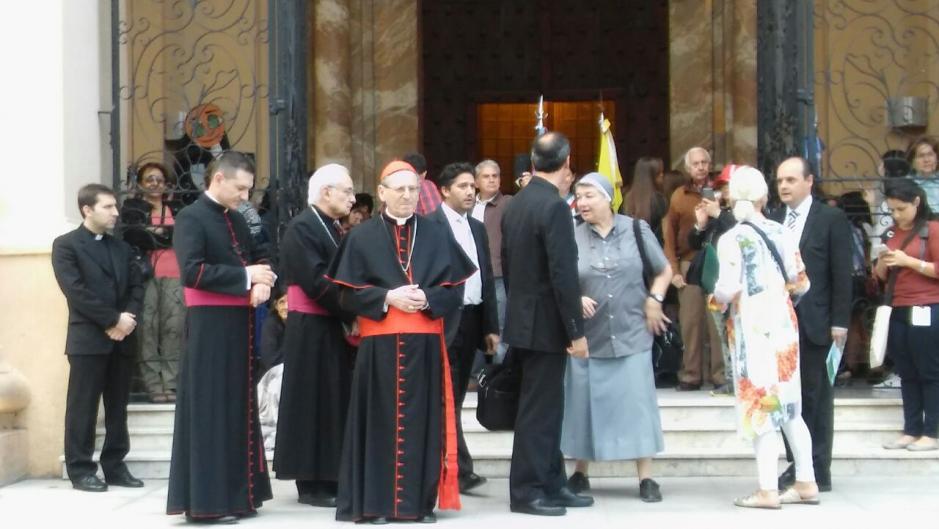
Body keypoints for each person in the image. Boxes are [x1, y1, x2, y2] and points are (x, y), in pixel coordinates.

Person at [327, 160, 475, 524]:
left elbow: (454, 292)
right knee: (377, 424)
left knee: (422, 424)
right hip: (379, 350)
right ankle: (374, 504)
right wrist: (386, 297)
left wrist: (426, 299)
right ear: (382, 193)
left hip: (423, 348)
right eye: (399, 189)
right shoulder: (360, 238)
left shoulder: (437, 233)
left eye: (412, 189)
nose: (407, 196)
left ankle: (418, 504)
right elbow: (344, 298)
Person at [166, 151, 276, 524]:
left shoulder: (238, 219)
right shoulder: (191, 218)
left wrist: (263, 281)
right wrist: (248, 277)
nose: (246, 195)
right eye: (240, 187)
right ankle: (209, 503)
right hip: (210, 327)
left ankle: (239, 495)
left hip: (238, 325)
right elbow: (193, 272)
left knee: (236, 409)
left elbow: (260, 255)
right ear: (219, 180)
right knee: (212, 411)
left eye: (248, 188)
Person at [712, 165, 819, 509]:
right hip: (784, 326)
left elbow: (728, 289)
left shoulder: (732, 238)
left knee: (761, 408)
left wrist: (715, 299)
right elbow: (802, 283)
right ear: (763, 196)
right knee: (790, 410)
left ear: (731, 198)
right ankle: (806, 481)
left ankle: (767, 490)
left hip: (753, 328)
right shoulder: (782, 231)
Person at [562, 173, 670, 503]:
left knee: (637, 405)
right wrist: (574, 299)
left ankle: (646, 477)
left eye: (589, 196)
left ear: (608, 198)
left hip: (632, 332)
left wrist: (655, 299)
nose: (582, 203)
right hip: (587, 338)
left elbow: (663, 270)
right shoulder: (571, 235)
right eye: (578, 196)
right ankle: (580, 471)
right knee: (583, 405)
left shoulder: (636, 229)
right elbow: (560, 277)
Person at [501, 132, 593, 516]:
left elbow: (508, 266)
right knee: (540, 411)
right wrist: (576, 330)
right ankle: (528, 491)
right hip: (545, 325)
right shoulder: (553, 206)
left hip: (525, 319)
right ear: (568, 161)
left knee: (545, 408)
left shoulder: (518, 202)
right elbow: (563, 274)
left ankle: (552, 482)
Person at [52, 184, 145, 493]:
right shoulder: (65, 245)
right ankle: (80, 469)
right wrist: (112, 319)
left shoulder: (121, 247)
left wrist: (127, 319)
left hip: (123, 337)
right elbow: (76, 291)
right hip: (88, 339)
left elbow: (137, 286)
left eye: (115, 207)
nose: (116, 213)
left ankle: (115, 465)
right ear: (87, 209)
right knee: (83, 406)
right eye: (108, 207)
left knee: (118, 407)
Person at [274, 163, 357, 508]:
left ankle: (330, 474)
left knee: (331, 400)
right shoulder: (302, 227)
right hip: (310, 328)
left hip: (329, 325)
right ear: (326, 192)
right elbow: (317, 281)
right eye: (348, 191)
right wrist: (355, 310)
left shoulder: (331, 227)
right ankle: (311, 482)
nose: (353, 198)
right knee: (311, 402)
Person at [771, 156, 852, 493]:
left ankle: (819, 468)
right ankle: (797, 465)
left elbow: (841, 273)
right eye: (779, 181)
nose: (785, 186)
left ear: (809, 181)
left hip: (817, 323)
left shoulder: (830, 218)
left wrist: (840, 322)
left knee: (817, 398)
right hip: (780, 325)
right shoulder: (774, 220)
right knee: (790, 398)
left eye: (791, 180)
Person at [429, 162, 501, 493]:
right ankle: (458, 468)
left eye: (472, 186)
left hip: (472, 320)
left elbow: (485, 278)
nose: (471, 191)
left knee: (456, 398)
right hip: (444, 322)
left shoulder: (477, 227)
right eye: (462, 186)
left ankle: (456, 465)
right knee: (445, 397)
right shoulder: (430, 226)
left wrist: (490, 326)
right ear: (444, 190)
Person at [874, 179, 939, 451]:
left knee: (929, 371)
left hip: (927, 305)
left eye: (901, 209)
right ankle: (911, 429)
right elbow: (878, 279)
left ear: (916, 202)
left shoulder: (932, 230)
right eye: (892, 210)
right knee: (907, 371)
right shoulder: (889, 234)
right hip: (897, 307)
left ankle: (932, 432)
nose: (896, 215)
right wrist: (882, 262)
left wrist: (907, 261)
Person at [120, 162, 185, 403]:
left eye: (159, 179)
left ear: (167, 184)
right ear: (140, 184)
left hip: (176, 274)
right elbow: (132, 234)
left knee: (174, 328)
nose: (155, 184)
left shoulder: (177, 207)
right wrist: (159, 235)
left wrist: (155, 233)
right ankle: (154, 385)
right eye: (149, 179)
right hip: (146, 275)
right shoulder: (133, 207)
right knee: (148, 327)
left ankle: (171, 383)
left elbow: (181, 236)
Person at [662, 147, 726, 391]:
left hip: (718, 262)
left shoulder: (722, 192)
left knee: (717, 321)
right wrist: (674, 270)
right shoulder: (679, 195)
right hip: (690, 263)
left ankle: (721, 375)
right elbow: (669, 235)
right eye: (695, 163)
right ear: (687, 168)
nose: (700, 167)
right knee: (690, 323)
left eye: (704, 162)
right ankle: (691, 375)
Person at [471, 159, 512, 364]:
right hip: (469, 276)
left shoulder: (509, 204)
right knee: (472, 324)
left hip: (497, 274)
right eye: (486, 176)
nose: (491, 180)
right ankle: (474, 374)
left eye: (495, 176)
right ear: (476, 182)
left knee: (499, 327)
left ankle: (499, 376)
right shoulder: (467, 204)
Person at [258, 290, 287, 452]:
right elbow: (270, 358)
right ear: (275, 306)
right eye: (281, 302)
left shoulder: (299, 325)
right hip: (270, 380)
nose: (286, 307)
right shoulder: (271, 325)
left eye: (289, 302)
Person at [621, 157, 668, 244]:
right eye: (659, 174)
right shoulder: (659, 200)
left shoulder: (626, 198)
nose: (663, 176)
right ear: (653, 176)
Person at [908, 136, 939, 211]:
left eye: (930, 154)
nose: (926, 160)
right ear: (912, 161)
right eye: (921, 156)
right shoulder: (906, 184)